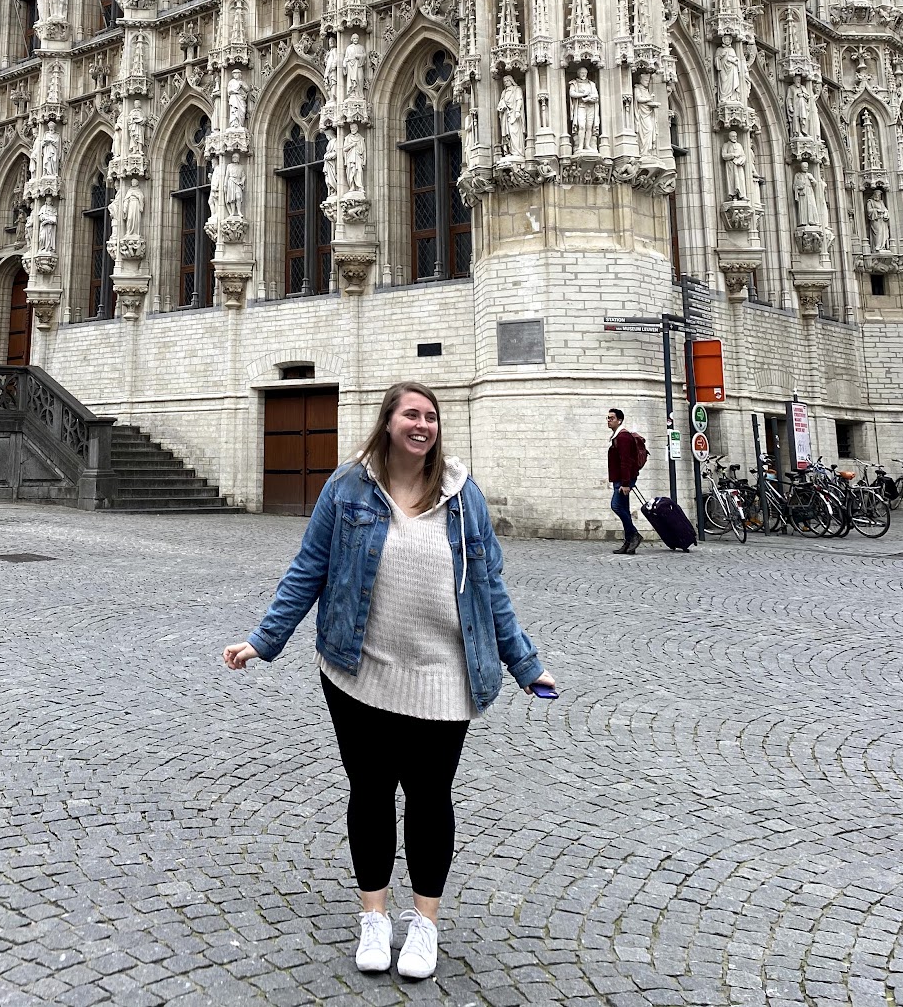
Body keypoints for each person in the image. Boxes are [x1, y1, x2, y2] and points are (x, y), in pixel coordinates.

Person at [223, 382, 554, 981]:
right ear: (388, 422)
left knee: (431, 799)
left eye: (430, 416)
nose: (422, 424)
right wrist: (263, 640)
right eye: (411, 414)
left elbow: (491, 587)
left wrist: (525, 663)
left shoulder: (462, 496)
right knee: (370, 792)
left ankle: (423, 924)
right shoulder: (348, 487)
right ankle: (374, 915)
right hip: (358, 671)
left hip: (443, 678)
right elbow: (309, 569)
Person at [606, 406, 643, 555]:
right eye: (608, 418)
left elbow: (625, 461)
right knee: (624, 509)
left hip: (624, 480)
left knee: (616, 506)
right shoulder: (618, 436)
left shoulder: (623, 437)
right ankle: (628, 543)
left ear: (619, 420)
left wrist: (626, 483)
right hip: (621, 479)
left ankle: (634, 535)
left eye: (612, 418)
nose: (609, 421)